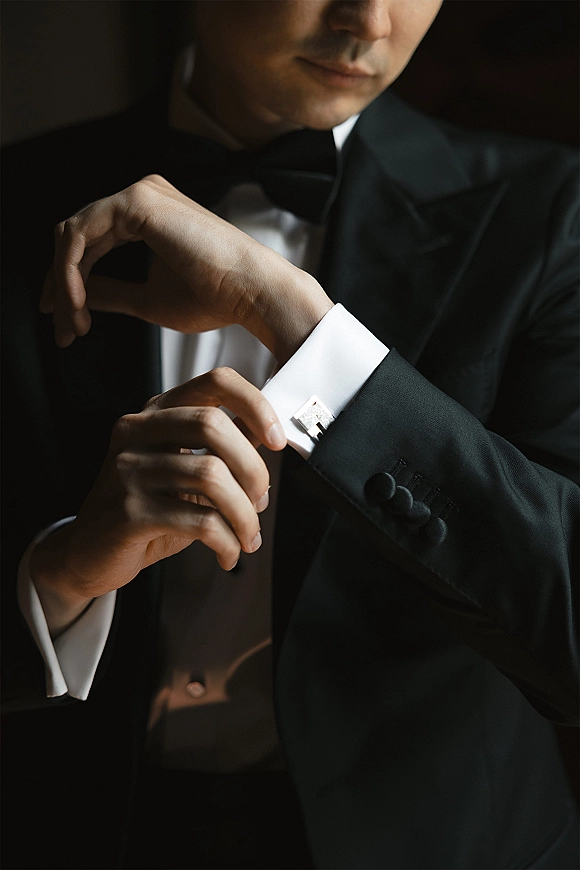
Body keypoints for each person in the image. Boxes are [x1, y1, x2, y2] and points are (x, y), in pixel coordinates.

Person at [2, 1, 578, 868]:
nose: (371, 20)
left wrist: (296, 320)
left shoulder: (552, 213)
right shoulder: (15, 202)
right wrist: (57, 576)